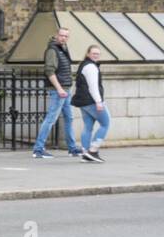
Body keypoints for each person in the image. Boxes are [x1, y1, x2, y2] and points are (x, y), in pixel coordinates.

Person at [31, 26, 84, 159]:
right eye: (61, 35)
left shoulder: (62, 49)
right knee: (51, 119)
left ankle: (72, 148)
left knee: (69, 118)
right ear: (56, 35)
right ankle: (38, 149)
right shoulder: (52, 50)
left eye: (66, 36)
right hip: (58, 90)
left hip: (65, 89)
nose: (63, 38)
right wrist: (59, 88)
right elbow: (50, 71)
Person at [72, 44, 109, 163]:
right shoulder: (91, 67)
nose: (96, 55)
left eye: (98, 54)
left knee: (88, 127)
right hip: (91, 101)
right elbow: (93, 87)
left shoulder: (84, 65)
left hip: (83, 101)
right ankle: (93, 150)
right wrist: (99, 102)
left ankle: (85, 153)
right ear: (88, 54)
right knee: (105, 123)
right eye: (94, 53)